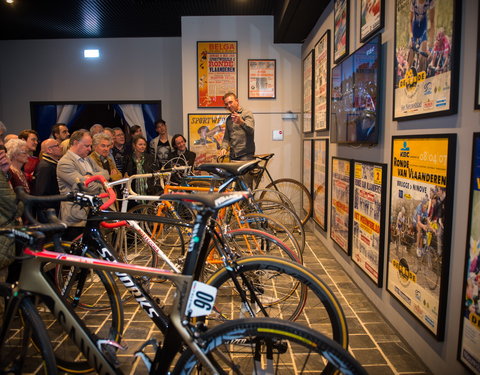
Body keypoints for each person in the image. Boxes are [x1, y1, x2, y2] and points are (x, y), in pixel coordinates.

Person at [57, 130, 109, 238]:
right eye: (87, 146)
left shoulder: (88, 159)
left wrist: (90, 175)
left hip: (92, 213)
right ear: (75, 143)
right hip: (76, 217)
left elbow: (106, 173)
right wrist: (100, 183)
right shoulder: (65, 162)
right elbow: (87, 187)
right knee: (77, 252)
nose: (90, 149)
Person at [123, 135, 159, 206]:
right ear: (134, 145)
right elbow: (125, 173)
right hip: (133, 189)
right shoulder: (128, 158)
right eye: (140, 144)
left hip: (148, 189)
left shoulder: (150, 157)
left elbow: (154, 172)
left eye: (144, 144)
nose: (143, 146)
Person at [33, 139, 63, 222]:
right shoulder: (45, 167)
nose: (61, 147)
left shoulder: (51, 164)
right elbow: (41, 193)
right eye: (57, 145)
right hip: (49, 212)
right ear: (49, 150)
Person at [219, 92, 255, 161]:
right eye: (226, 104)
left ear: (237, 101)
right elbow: (226, 138)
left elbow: (251, 130)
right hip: (233, 156)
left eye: (230, 102)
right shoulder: (229, 119)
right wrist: (224, 148)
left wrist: (241, 122)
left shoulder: (247, 113)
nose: (229, 106)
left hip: (246, 156)